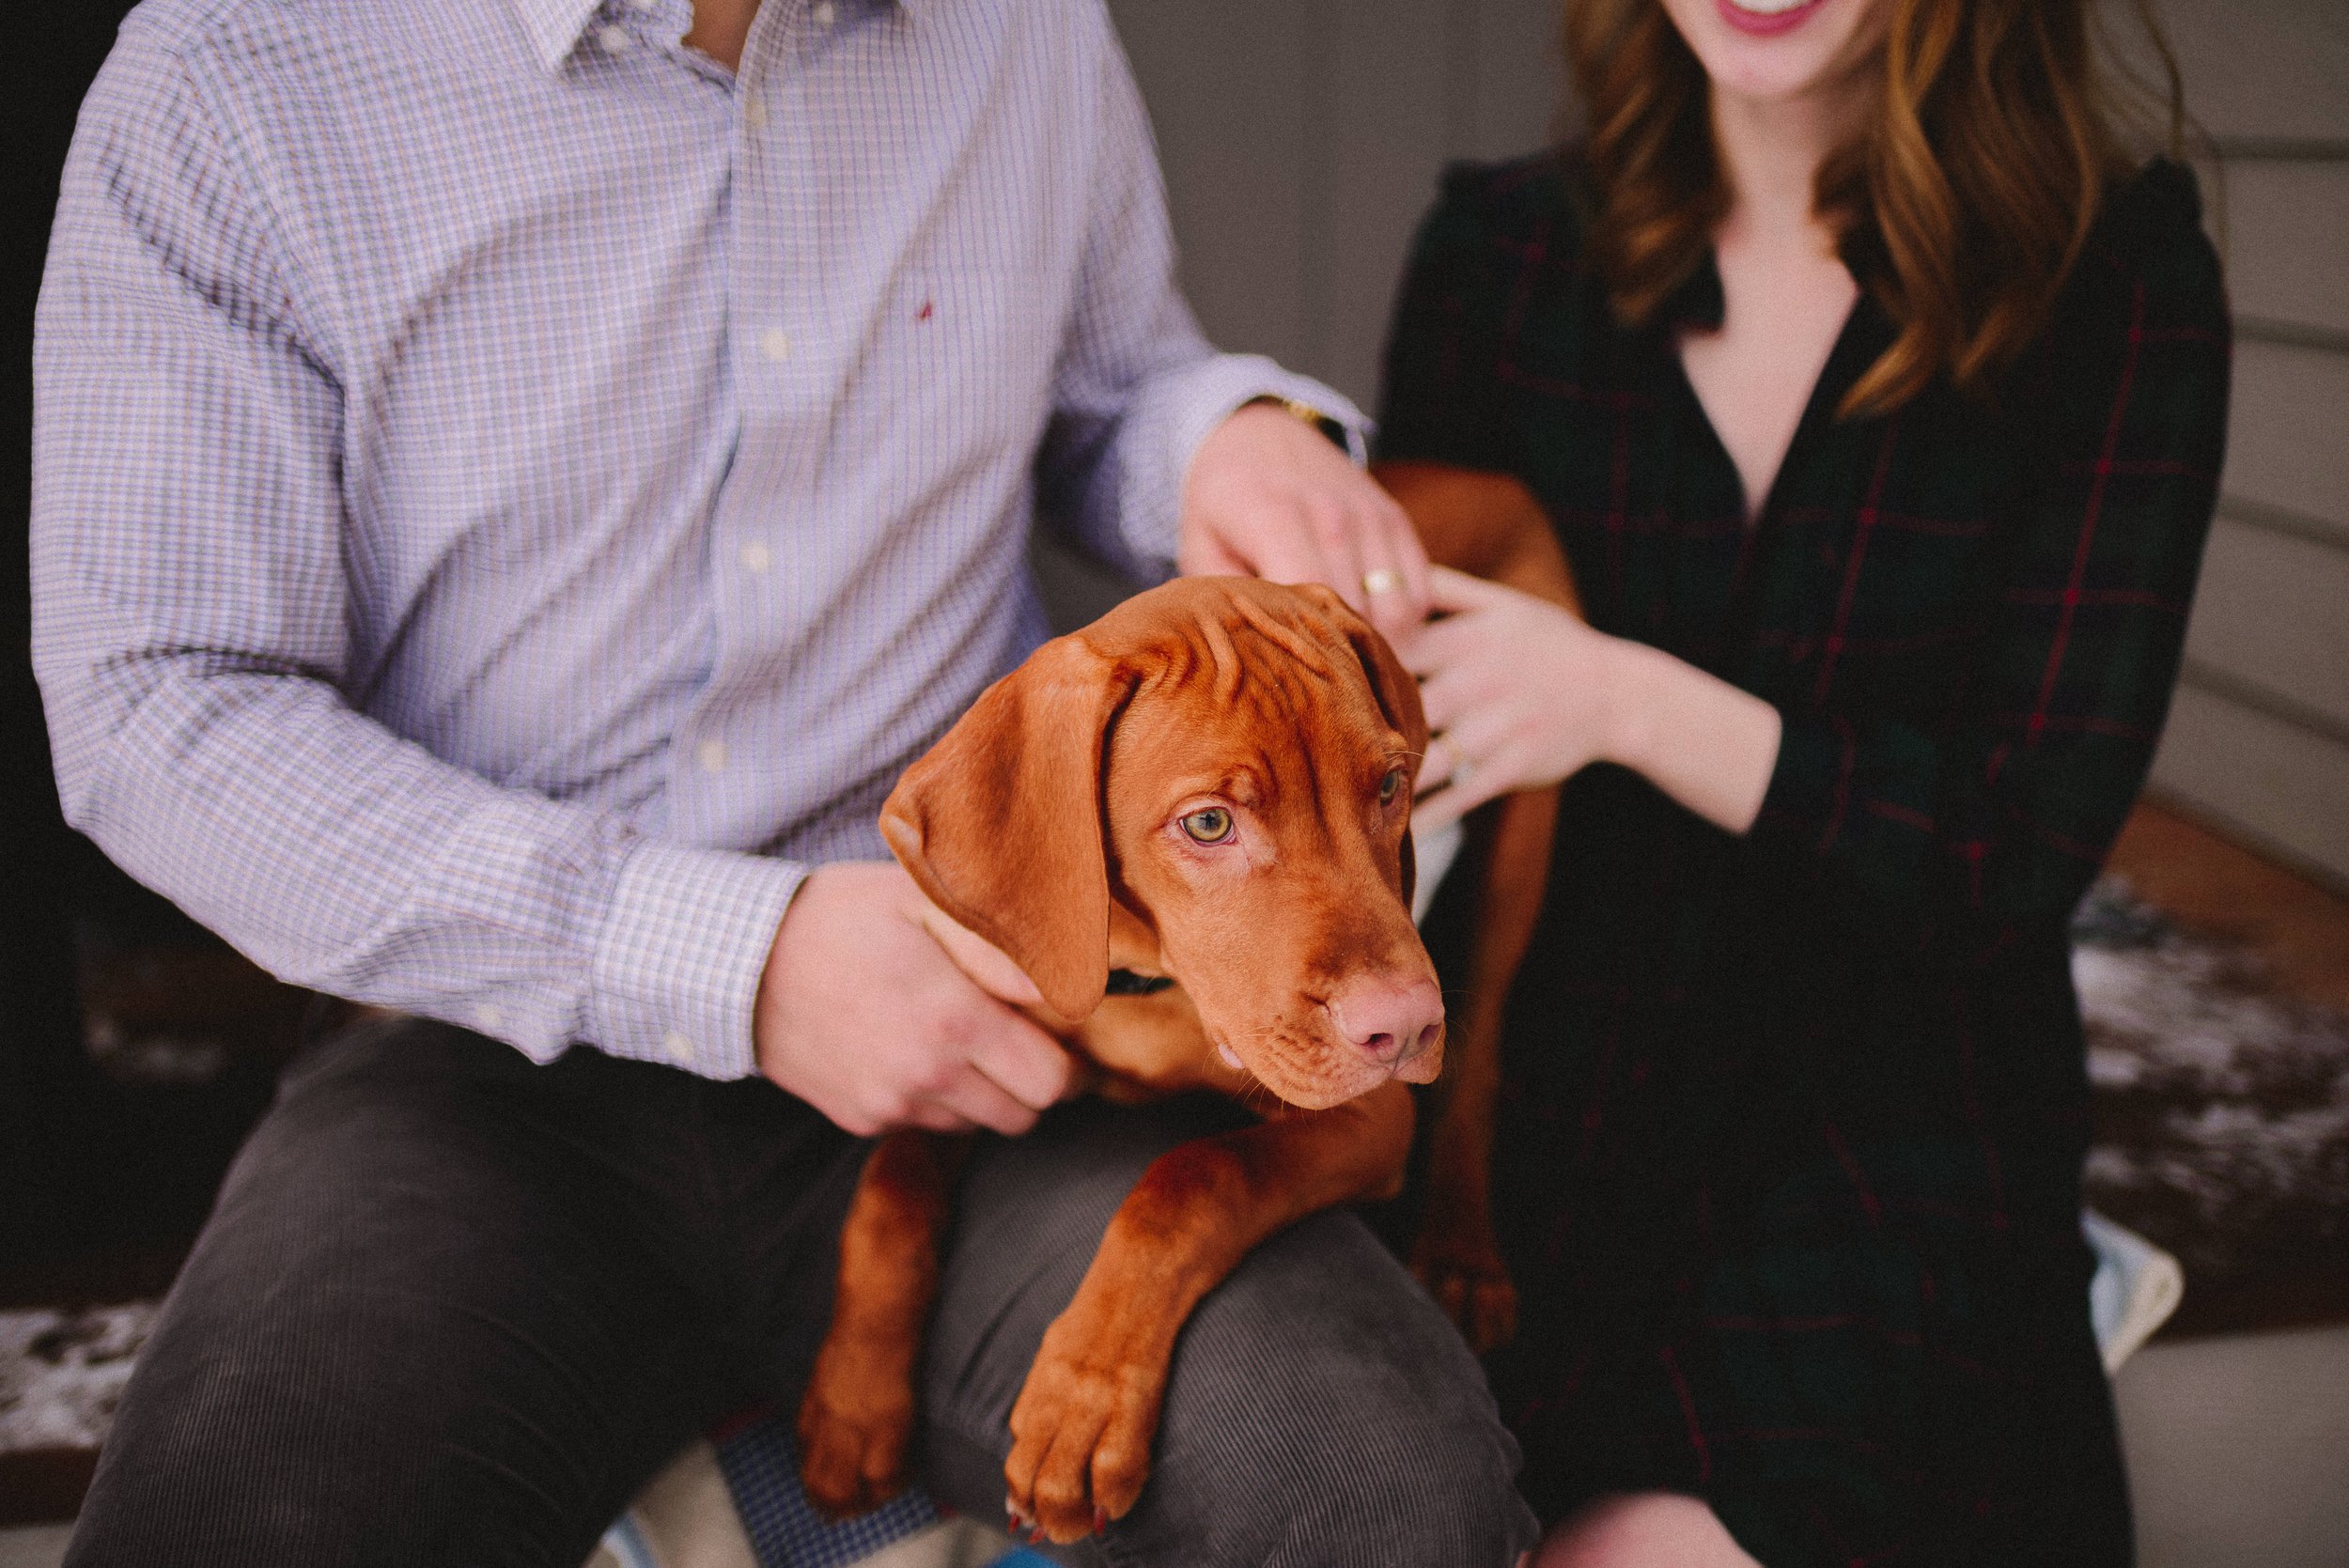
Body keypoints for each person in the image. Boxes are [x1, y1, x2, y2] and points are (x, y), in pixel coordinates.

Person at [31, 0, 1541, 1562]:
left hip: (994, 1035)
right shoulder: (235, 73)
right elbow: (160, 708)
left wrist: (1225, 433)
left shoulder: (1020, 30)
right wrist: (736, 956)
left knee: (1385, 1495)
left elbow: (1111, 394)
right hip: (480, 1056)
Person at [1378, 0, 2227, 1561]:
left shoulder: (2115, 277)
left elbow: (2011, 841)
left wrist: (1619, 697)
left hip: (1895, 1112)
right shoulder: (1498, 254)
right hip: (1542, 1098)